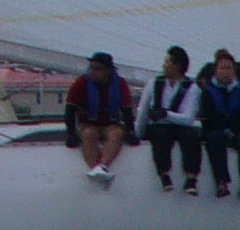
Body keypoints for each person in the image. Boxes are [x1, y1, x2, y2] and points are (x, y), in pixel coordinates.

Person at [136, 44, 203, 192]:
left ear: (177, 65)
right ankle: (164, 174)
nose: (163, 65)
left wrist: (166, 114)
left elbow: (188, 119)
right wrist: (138, 134)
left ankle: (191, 178)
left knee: (191, 136)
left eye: (167, 62)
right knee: (159, 133)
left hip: (180, 127)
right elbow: (143, 111)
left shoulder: (192, 88)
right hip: (159, 126)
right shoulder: (154, 83)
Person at [199, 51, 240, 201]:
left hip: (237, 128)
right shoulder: (208, 91)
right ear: (216, 70)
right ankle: (221, 182)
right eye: (222, 68)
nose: (226, 72)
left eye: (229, 68)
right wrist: (225, 130)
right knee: (214, 139)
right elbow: (209, 116)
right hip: (216, 128)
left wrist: (233, 130)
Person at [66, 51, 134, 182]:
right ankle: (95, 168)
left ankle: (103, 166)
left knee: (116, 134)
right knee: (88, 134)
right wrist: (71, 134)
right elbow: (70, 109)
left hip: (110, 124)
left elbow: (126, 110)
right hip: (88, 124)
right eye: (91, 67)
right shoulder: (81, 82)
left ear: (108, 70)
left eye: (97, 69)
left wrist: (131, 131)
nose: (92, 71)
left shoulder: (120, 83)